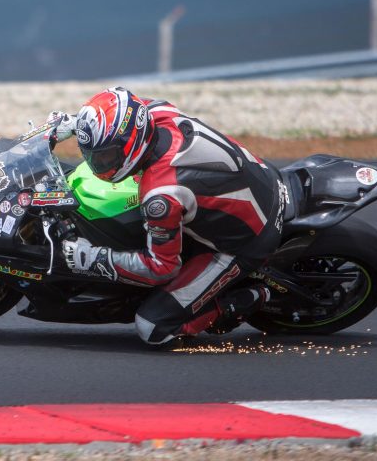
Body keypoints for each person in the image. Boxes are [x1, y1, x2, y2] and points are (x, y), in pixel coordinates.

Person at [50, 87, 286, 345]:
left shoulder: (160, 195)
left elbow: (161, 268)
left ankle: (248, 299)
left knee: (153, 327)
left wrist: (95, 258)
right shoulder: (157, 112)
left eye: (105, 155)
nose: (98, 163)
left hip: (246, 241)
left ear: (130, 145)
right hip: (262, 176)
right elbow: (121, 116)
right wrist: (75, 124)